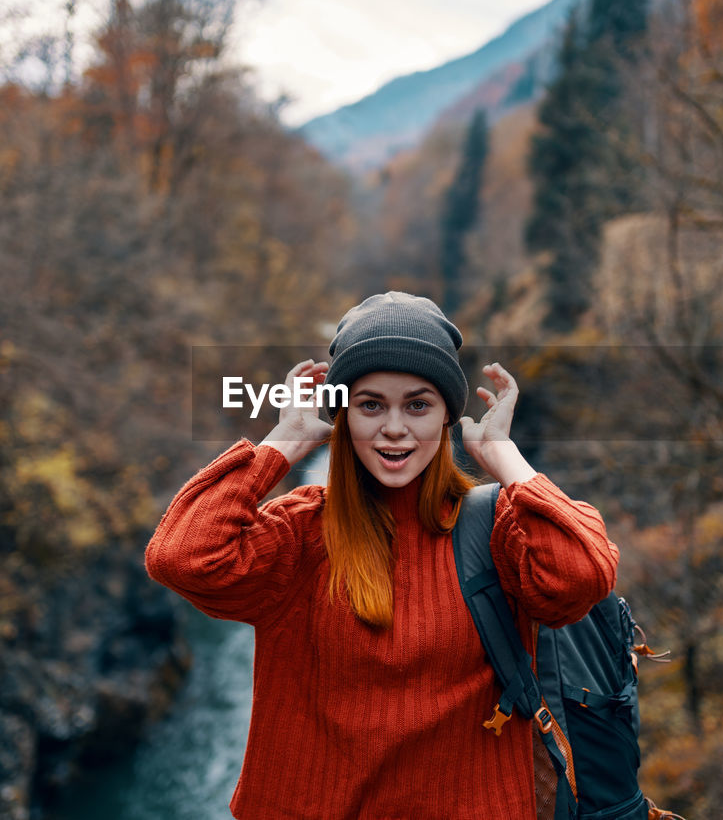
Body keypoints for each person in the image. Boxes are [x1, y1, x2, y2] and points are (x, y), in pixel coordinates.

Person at [145, 292, 620, 820]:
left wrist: (506, 458)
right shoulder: (300, 535)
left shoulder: (498, 530)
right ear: (343, 416)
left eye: (418, 404)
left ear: (446, 417)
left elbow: (583, 576)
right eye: (370, 405)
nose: (394, 427)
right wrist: (283, 441)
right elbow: (181, 556)